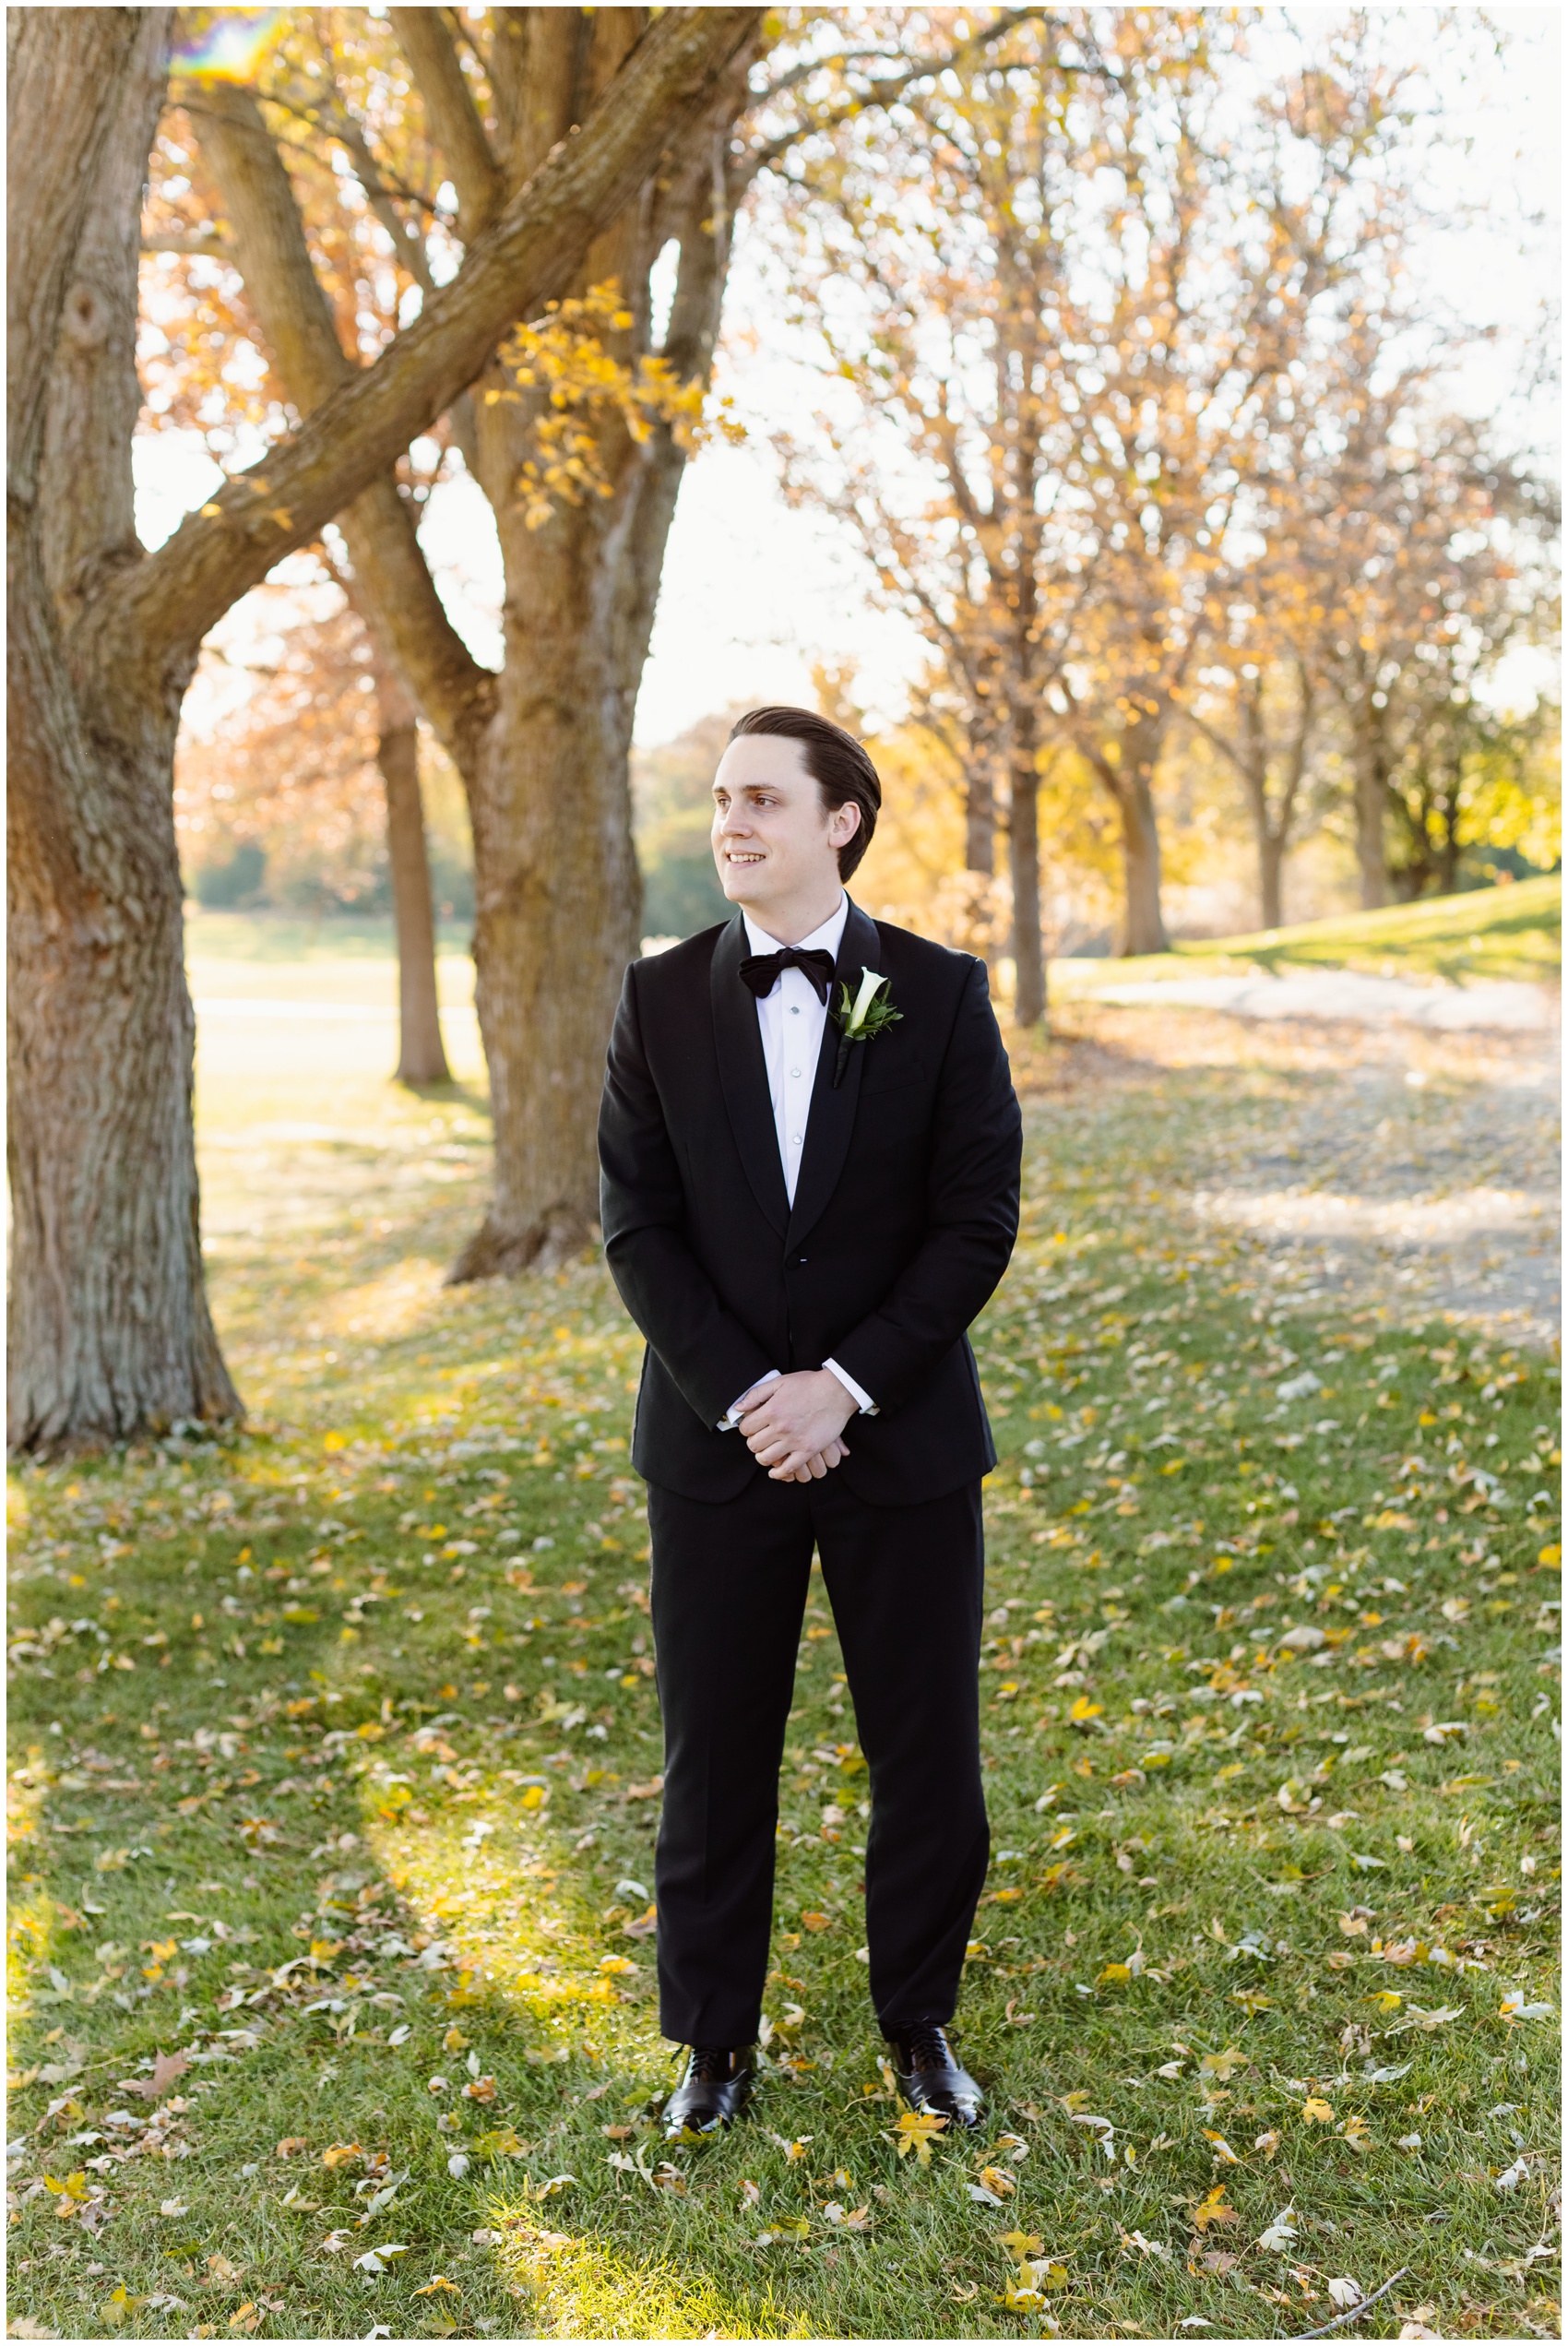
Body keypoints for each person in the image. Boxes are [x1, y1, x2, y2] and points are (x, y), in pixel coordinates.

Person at [597, 705, 1022, 2141]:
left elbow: (975, 1224)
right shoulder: (656, 1002)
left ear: (841, 819)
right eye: (723, 799)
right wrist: (748, 1398)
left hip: (897, 1444)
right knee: (715, 1759)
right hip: (715, 1457)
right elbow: (636, 1229)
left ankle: (919, 2026)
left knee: (927, 1757)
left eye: (764, 799)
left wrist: (841, 1387)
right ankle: (712, 2047)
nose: (733, 823)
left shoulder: (943, 995)